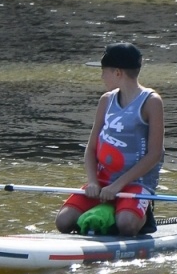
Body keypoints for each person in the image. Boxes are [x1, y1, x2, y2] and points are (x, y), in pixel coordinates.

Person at [56, 42, 165, 236]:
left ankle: (137, 215)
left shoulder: (152, 102)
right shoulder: (106, 100)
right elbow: (90, 149)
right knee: (63, 222)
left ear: (117, 73)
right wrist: (92, 182)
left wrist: (117, 186)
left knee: (127, 226)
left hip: (135, 184)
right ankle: (105, 212)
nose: (101, 77)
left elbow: (155, 154)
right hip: (102, 184)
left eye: (103, 71)